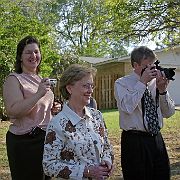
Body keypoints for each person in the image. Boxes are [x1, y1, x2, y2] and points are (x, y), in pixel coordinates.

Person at [3, 36, 60, 180]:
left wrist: (54, 109)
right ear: (20, 57)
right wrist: (39, 94)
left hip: (46, 140)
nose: (33, 56)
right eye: (28, 52)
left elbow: (40, 109)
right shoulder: (14, 79)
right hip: (25, 142)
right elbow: (13, 110)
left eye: (36, 52)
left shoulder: (40, 79)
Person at [43, 64, 114, 180]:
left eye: (92, 86)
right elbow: (49, 165)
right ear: (69, 88)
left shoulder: (97, 116)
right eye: (86, 86)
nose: (90, 90)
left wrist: (107, 161)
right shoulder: (57, 124)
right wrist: (86, 172)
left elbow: (107, 146)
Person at [114, 46, 175, 180]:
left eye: (153, 65)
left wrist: (163, 90)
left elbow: (169, 112)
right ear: (135, 65)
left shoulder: (156, 83)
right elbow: (127, 107)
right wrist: (142, 82)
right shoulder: (122, 83)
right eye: (147, 66)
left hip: (156, 138)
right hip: (134, 141)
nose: (152, 69)